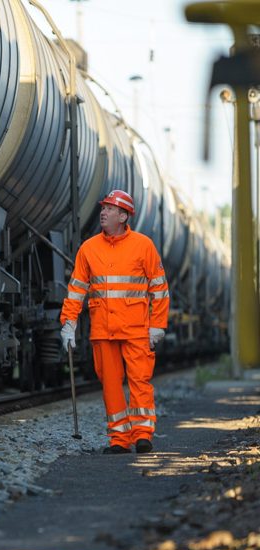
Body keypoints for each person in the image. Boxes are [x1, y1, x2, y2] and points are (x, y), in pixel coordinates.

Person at [59, 189, 170, 454]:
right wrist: (69, 322)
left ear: (123, 216)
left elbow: (160, 289)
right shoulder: (88, 249)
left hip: (136, 329)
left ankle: (143, 435)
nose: (103, 212)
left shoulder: (143, 246)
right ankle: (119, 439)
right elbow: (76, 289)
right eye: (103, 207)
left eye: (110, 209)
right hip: (102, 330)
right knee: (110, 385)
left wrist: (157, 324)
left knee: (139, 382)